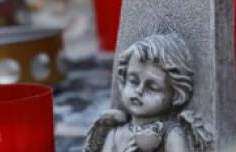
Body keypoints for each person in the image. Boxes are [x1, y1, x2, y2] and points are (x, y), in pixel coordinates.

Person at [84, 33, 214, 152]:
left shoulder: (170, 134)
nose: (139, 91)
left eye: (153, 87)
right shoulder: (115, 133)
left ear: (176, 95)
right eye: (133, 81)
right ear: (123, 78)